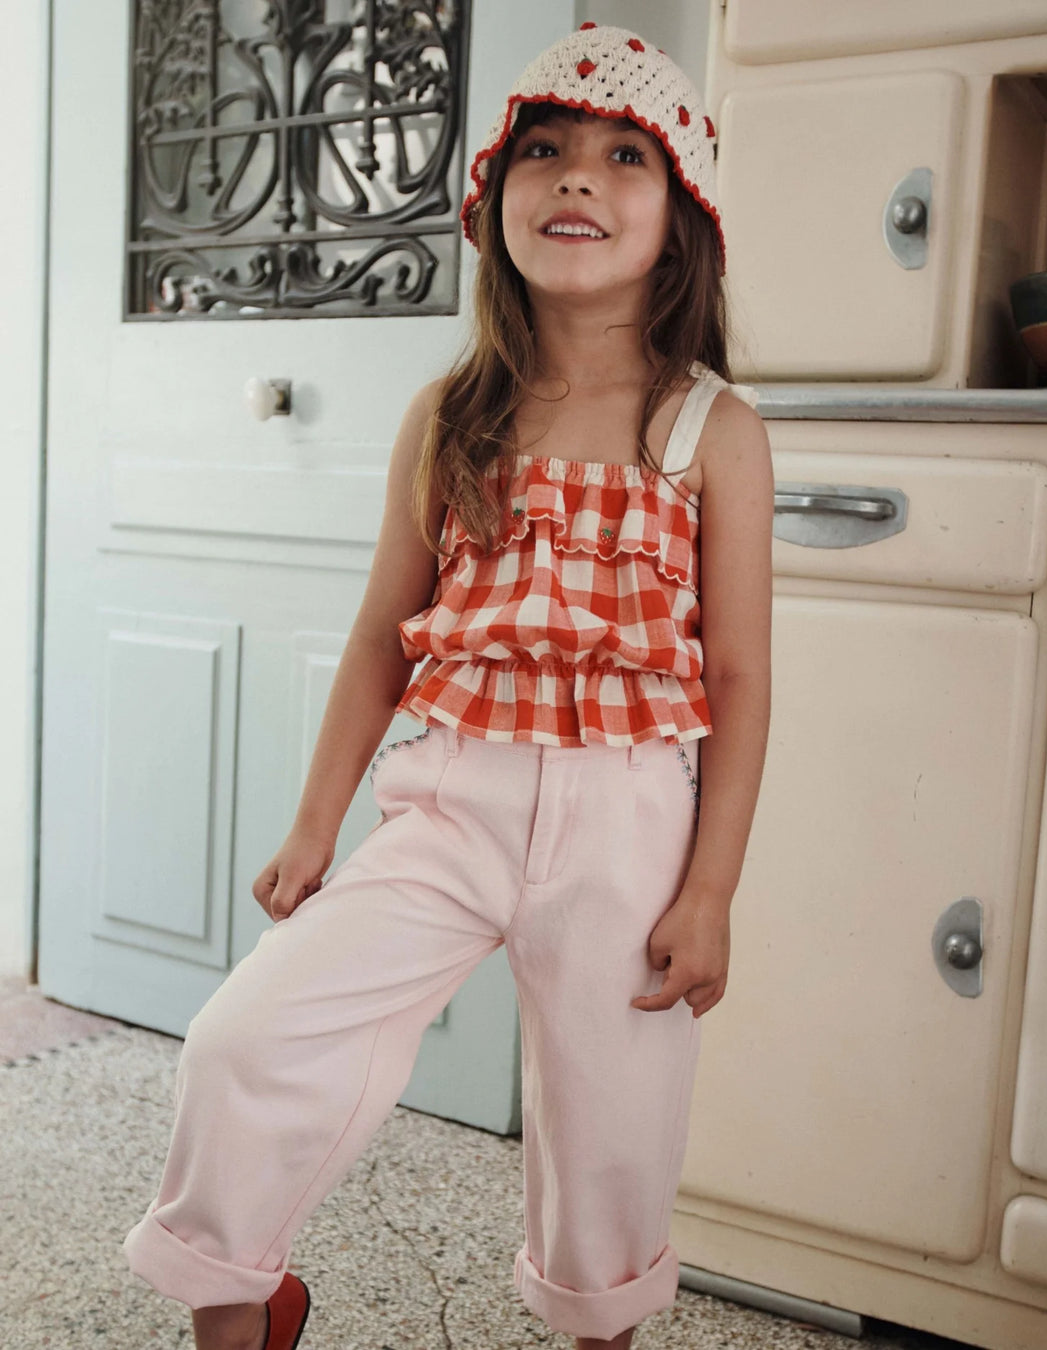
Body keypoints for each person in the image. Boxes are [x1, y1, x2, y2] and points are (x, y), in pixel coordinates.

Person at [122, 20, 774, 1350]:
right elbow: (380, 637)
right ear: (492, 203)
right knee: (247, 1040)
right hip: (451, 803)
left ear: (683, 215)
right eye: (542, 151)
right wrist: (317, 819)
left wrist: (709, 888)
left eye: (621, 156)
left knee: (613, 1131)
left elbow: (747, 675)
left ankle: (603, 1333)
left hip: (632, 828)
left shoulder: (716, 429)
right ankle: (238, 1306)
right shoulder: (451, 415)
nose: (575, 179)